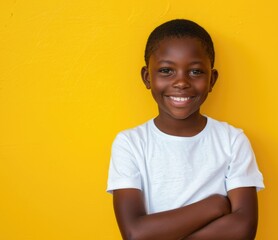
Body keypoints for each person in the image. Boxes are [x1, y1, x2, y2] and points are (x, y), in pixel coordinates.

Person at [107, 19, 264, 240]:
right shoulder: (130, 143)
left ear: (212, 80)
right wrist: (215, 204)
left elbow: (243, 229)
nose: (181, 82)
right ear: (147, 77)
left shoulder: (232, 141)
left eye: (195, 72)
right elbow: (135, 234)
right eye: (166, 70)